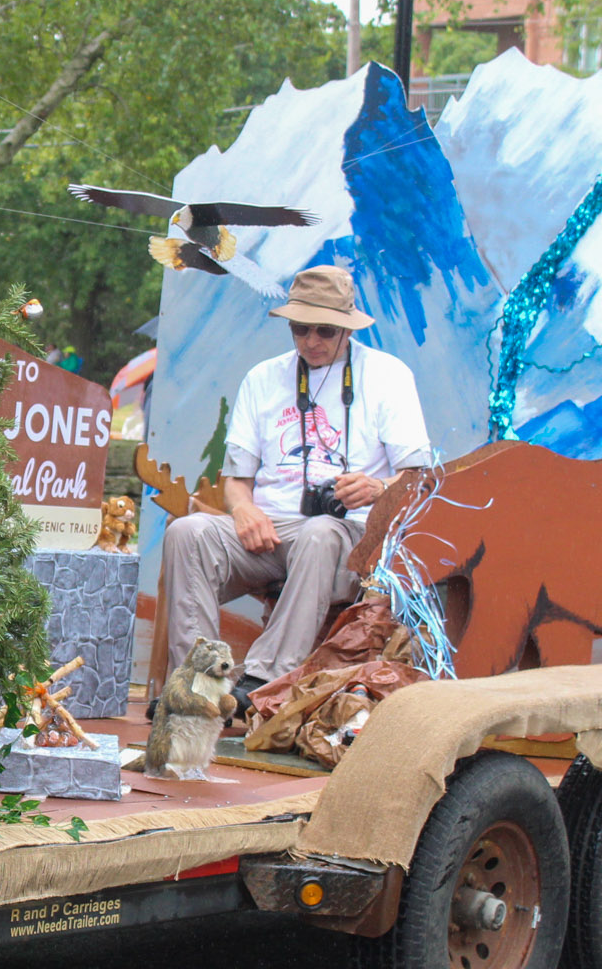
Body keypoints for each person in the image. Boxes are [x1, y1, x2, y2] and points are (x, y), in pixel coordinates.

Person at [159, 265, 431, 709]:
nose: (312, 341)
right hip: (271, 529)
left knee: (320, 531)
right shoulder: (264, 378)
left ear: (346, 327)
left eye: (325, 330)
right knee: (187, 532)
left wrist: (378, 487)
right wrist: (244, 510)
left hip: (349, 536)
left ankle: (264, 681)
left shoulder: (387, 375)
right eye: (300, 329)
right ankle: (199, 685)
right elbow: (237, 482)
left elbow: (417, 475)